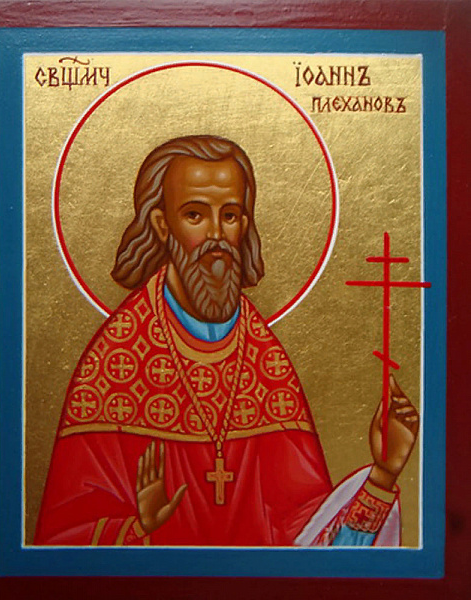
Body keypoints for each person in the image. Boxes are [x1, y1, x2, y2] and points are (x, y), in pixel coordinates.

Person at [34, 135, 419, 547]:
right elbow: (59, 542)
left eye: (230, 215)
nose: (216, 235)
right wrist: (136, 530)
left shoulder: (266, 363)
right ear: (163, 225)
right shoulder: (116, 362)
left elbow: (308, 547)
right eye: (195, 215)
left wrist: (383, 476)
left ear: (245, 224)